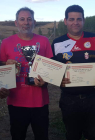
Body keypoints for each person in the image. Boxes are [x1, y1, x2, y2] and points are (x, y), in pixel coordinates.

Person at [0, 7, 53, 140]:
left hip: (39, 102)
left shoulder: (44, 41)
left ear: (34, 22)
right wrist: (6, 66)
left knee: (42, 136)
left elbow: (51, 69)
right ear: (16, 22)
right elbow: (1, 68)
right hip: (16, 101)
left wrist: (46, 80)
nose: (26, 22)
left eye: (29, 19)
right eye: (22, 19)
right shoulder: (6, 43)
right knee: (17, 136)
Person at [51, 5, 95, 140]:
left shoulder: (93, 38)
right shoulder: (57, 43)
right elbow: (52, 70)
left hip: (92, 98)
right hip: (69, 99)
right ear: (65, 21)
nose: (75, 22)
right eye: (71, 19)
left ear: (83, 20)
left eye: (79, 19)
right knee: (72, 135)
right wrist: (57, 79)